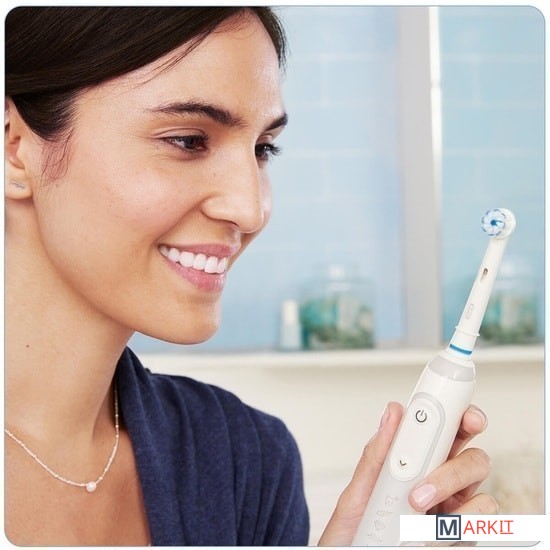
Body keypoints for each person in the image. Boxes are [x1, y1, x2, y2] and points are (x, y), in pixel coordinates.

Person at [4, 6, 497, 546]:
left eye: (263, 149)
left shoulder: (248, 463)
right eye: (187, 140)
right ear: (14, 147)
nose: (250, 209)